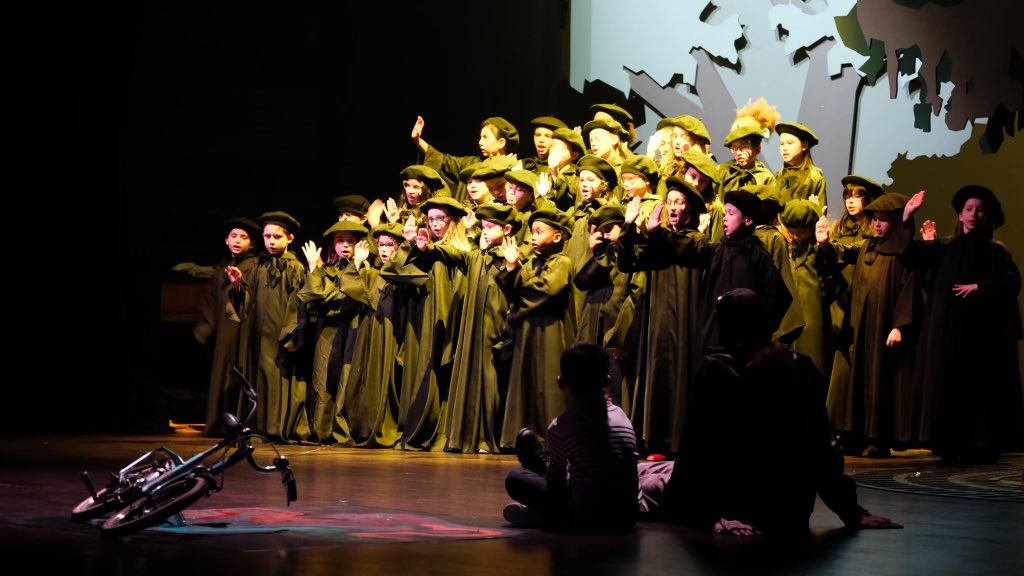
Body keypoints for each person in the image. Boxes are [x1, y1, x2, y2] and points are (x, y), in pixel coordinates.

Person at [642, 289, 901, 535]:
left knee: (641, 482)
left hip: (738, 507)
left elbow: (698, 451)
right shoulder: (801, 366)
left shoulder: (717, 372)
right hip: (789, 510)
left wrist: (713, 513)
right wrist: (849, 510)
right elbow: (822, 447)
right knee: (655, 472)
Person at [901, 187, 1024, 463]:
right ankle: (948, 441)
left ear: (987, 215)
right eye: (968, 209)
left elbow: (1013, 281)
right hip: (948, 334)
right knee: (949, 384)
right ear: (960, 214)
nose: (973, 215)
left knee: (980, 388)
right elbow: (909, 256)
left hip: (982, 336)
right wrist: (908, 216)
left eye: (979, 209)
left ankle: (982, 442)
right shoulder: (945, 248)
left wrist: (980, 287)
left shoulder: (996, 252)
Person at [815, 193, 920, 458]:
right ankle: (855, 434)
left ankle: (878, 437)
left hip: (884, 326)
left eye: (884, 220)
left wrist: (899, 325)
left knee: (879, 380)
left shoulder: (903, 254)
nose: (877, 225)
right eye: (875, 220)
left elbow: (909, 290)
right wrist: (825, 243)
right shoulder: (866, 247)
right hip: (861, 326)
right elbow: (840, 254)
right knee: (857, 380)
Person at [503, 342, 638, 533]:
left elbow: (555, 485)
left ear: (560, 383)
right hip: (626, 517)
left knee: (516, 477)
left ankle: (546, 518)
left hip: (585, 518)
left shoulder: (562, 426)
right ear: (607, 381)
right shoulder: (621, 415)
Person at [229, 211, 309, 442]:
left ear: (289, 239)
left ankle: (276, 426)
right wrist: (236, 286)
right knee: (259, 379)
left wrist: (293, 335)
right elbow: (246, 299)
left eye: (277, 237)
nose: (271, 242)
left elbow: (299, 304)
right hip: (259, 336)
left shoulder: (295, 268)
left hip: (282, 336)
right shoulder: (258, 266)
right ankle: (259, 427)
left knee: (278, 378)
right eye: (267, 236)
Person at [298, 220, 372, 445]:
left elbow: (345, 300)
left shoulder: (366, 272)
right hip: (328, 331)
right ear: (333, 245)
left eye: (350, 241)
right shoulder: (326, 271)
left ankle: (343, 432)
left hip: (354, 329)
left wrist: (356, 268)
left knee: (347, 380)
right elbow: (312, 297)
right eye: (340, 241)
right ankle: (321, 430)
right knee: (324, 379)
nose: (346, 245)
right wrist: (313, 267)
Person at [193, 217, 260, 436]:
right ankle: (219, 423)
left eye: (244, 237)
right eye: (234, 236)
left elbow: (251, 299)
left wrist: (238, 284)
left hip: (244, 330)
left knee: (241, 371)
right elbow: (211, 302)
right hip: (224, 331)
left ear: (251, 243)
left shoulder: (254, 266)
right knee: (222, 371)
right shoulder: (219, 269)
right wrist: (207, 325)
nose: (238, 240)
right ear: (226, 240)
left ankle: (241, 422)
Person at [775, 122, 826, 210]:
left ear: (804, 145)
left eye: (790, 143)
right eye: (781, 144)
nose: (784, 148)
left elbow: (821, 213)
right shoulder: (778, 177)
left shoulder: (814, 178)